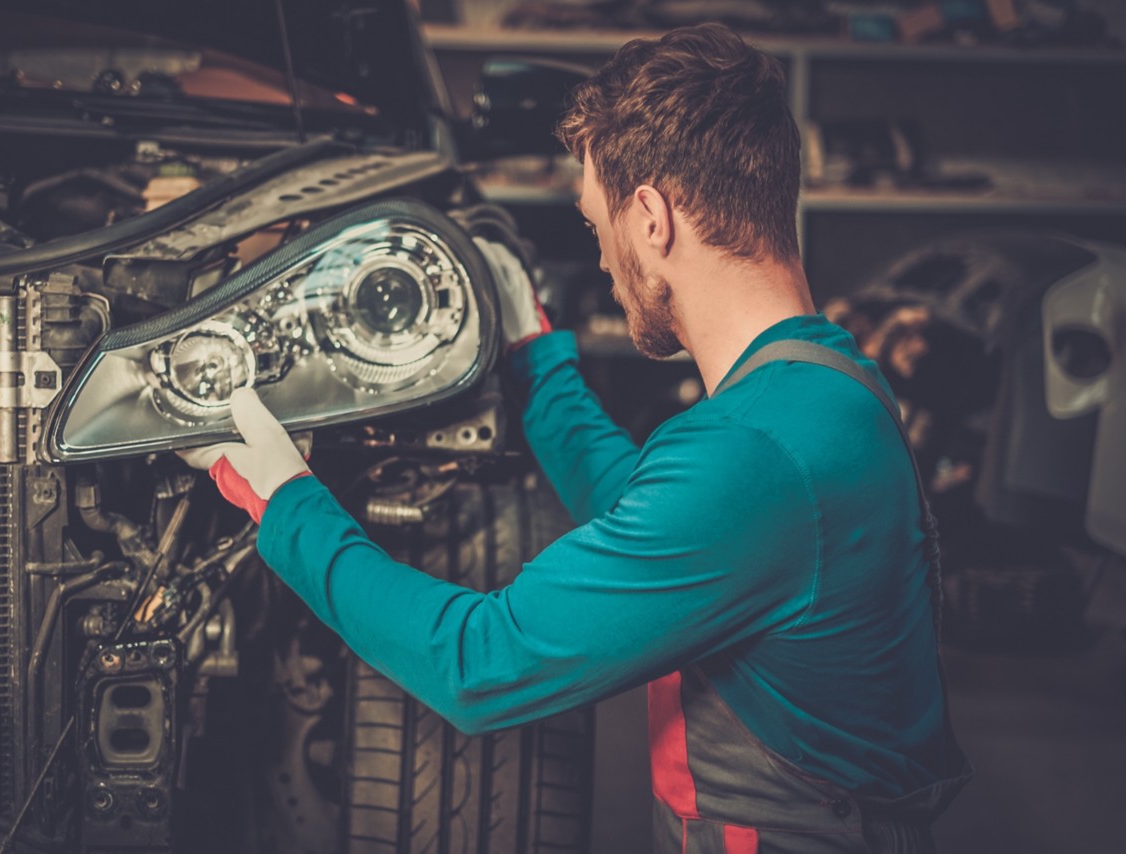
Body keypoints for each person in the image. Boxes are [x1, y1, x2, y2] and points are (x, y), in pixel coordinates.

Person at [182, 23, 971, 853]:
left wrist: (287, 505)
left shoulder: (751, 457)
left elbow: (480, 663)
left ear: (652, 219)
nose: (600, 261)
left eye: (597, 227)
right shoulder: (830, 388)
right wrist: (536, 359)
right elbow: (658, 520)